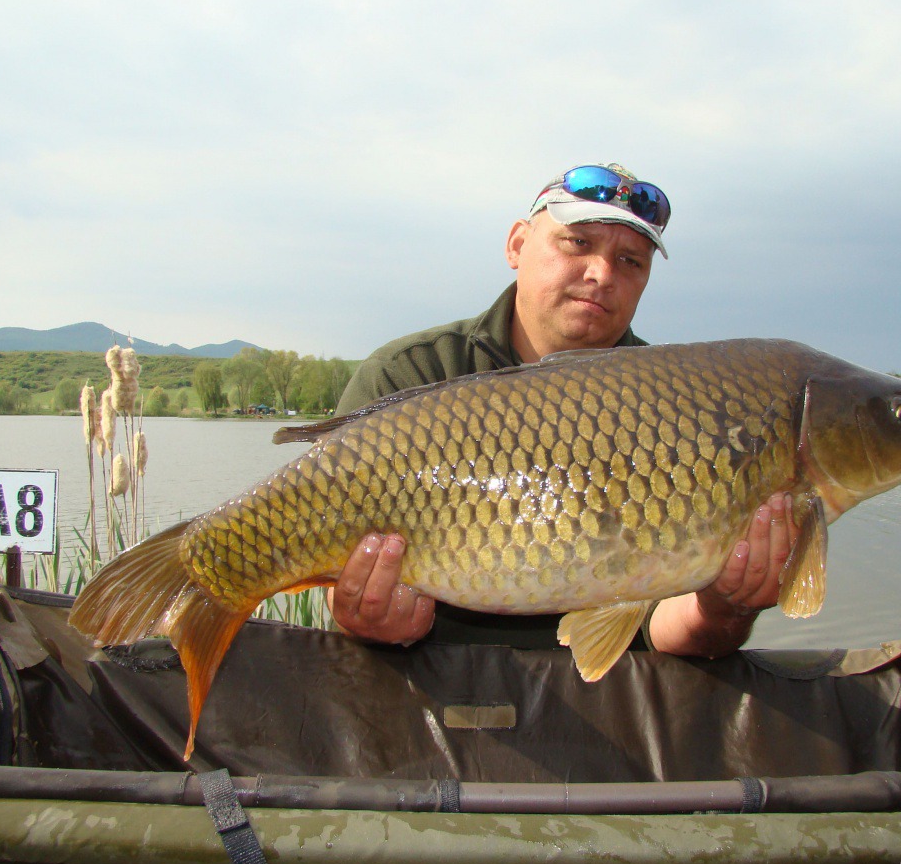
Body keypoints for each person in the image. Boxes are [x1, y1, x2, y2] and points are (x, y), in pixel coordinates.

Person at [327, 163, 798, 658]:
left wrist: (725, 609)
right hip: (432, 702)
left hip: (612, 711)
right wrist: (360, 619)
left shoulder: (676, 412)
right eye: (577, 243)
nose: (602, 274)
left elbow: (666, 631)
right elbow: (327, 583)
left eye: (631, 261)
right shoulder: (408, 375)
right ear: (517, 245)